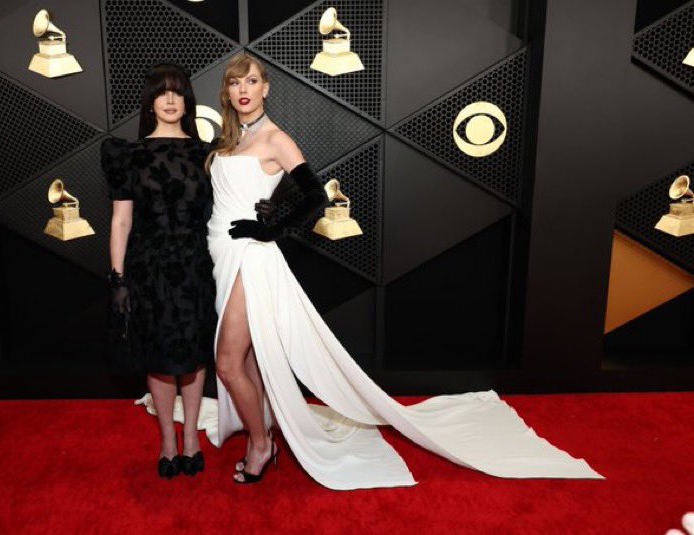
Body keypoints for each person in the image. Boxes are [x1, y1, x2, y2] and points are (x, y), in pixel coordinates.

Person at [205, 53, 603, 489]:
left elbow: (315, 196)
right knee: (248, 356)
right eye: (235, 83)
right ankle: (264, 431)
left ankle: (260, 445)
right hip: (222, 254)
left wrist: (271, 227)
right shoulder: (230, 142)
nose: (244, 89)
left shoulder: (275, 139)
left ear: (266, 88)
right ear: (227, 92)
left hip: (251, 257)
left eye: (253, 81)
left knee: (227, 363)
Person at [102, 62, 215, 479]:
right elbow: (120, 221)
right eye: (160, 93)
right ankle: (168, 437)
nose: (169, 100)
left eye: (177, 92)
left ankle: (191, 438)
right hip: (148, 269)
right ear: (149, 102)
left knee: (193, 354)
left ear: (187, 100)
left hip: (195, 266)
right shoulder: (128, 155)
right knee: (161, 357)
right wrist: (117, 278)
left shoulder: (209, 153)